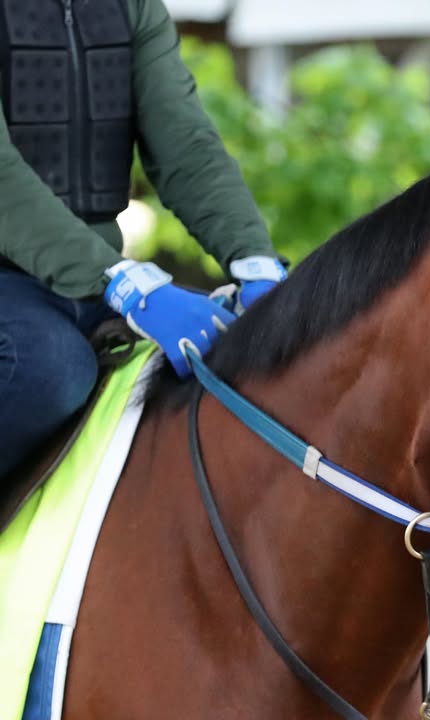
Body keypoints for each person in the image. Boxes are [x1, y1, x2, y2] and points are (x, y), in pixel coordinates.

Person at [0, 0, 287, 479]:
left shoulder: (132, 6)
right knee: (49, 372)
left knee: (235, 361)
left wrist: (256, 263)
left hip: (89, 284)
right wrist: (124, 282)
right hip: (30, 284)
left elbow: (185, 145)